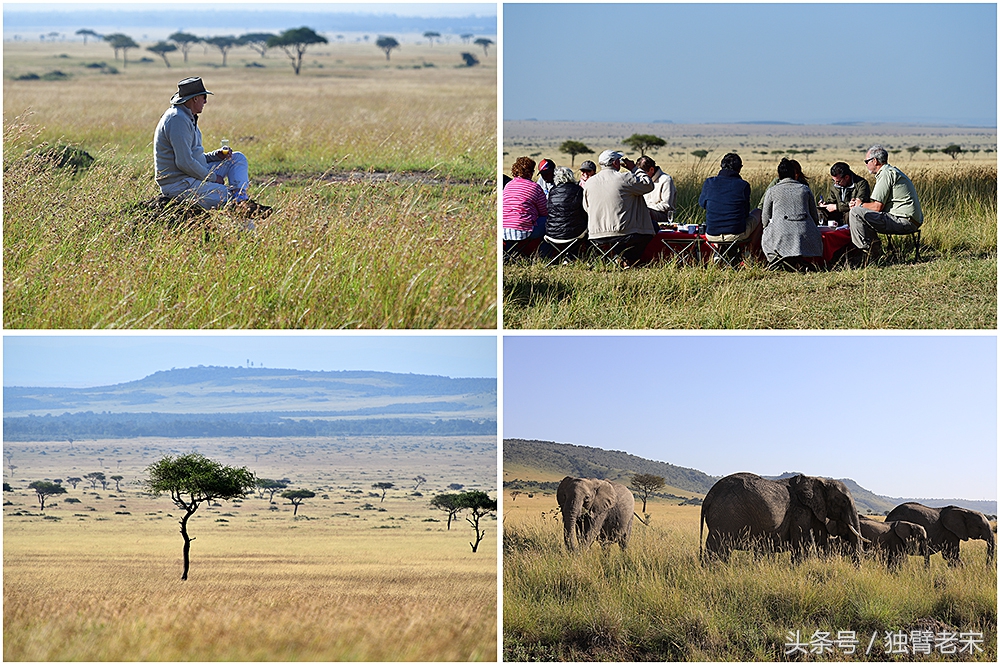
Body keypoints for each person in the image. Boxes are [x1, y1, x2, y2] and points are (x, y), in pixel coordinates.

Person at [154, 77, 269, 215]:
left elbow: (192, 156)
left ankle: (241, 197)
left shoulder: (186, 116)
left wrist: (214, 156)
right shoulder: (177, 119)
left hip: (190, 176)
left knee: (237, 158)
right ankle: (242, 206)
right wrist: (213, 178)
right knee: (230, 199)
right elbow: (184, 162)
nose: (205, 102)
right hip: (180, 183)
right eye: (204, 97)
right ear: (195, 99)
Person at [848, 145, 923, 260]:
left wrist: (859, 205)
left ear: (874, 161)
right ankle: (875, 252)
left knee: (855, 212)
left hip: (903, 221)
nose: (866, 164)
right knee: (862, 213)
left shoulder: (885, 174)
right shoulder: (891, 171)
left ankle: (862, 252)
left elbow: (877, 207)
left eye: (866, 161)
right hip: (910, 220)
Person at [582, 150, 654, 266]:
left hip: (596, 234)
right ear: (615, 163)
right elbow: (648, 184)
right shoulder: (624, 178)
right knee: (650, 230)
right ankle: (627, 258)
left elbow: (586, 207)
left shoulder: (590, 182)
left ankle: (616, 257)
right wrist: (634, 169)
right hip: (623, 233)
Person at [698, 153, 762, 260]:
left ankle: (717, 251)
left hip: (712, 234)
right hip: (736, 233)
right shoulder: (743, 185)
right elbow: (745, 213)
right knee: (759, 212)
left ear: (721, 166)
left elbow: (702, 204)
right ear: (739, 168)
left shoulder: (709, 182)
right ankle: (748, 251)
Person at [760, 158, 823, 264]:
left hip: (780, 234)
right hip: (806, 234)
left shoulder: (772, 191)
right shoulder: (805, 189)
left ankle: (776, 261)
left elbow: (765, 218)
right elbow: (814, 216)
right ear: (794, 174)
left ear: (779, 175)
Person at [502, 156, 548, 246]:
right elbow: (544, 212)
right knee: (549, 221)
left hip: (503, 230)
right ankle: (544, 252)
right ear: (530, 172)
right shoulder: (535, 187)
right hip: (524, 231)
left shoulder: (508, 185)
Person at [545, 167, 588, 243]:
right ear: (571, 176)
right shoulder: (578, 190)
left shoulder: (552, 191)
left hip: (552, 234)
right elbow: (584, 210)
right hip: (574, 233)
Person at [820, 162, 870, 226]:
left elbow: (857, 205)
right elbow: (832, 201)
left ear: (846, 177)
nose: (835, 183)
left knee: (851, 213)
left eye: (838, 181)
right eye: (833, 181)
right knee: (820, 211)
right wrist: (826, 205)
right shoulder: (835, 185)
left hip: (851, 215)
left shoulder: (861, 184)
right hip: (838, 214)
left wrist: (836, 207)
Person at [635, 156, 676, 225]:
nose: (641, 177)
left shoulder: (666, 180)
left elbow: (666, 206)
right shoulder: (642, 180)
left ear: (651, 170)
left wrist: (646, 208)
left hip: (662, 214)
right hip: (645, 212)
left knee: (645, 213)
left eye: (643, 174)